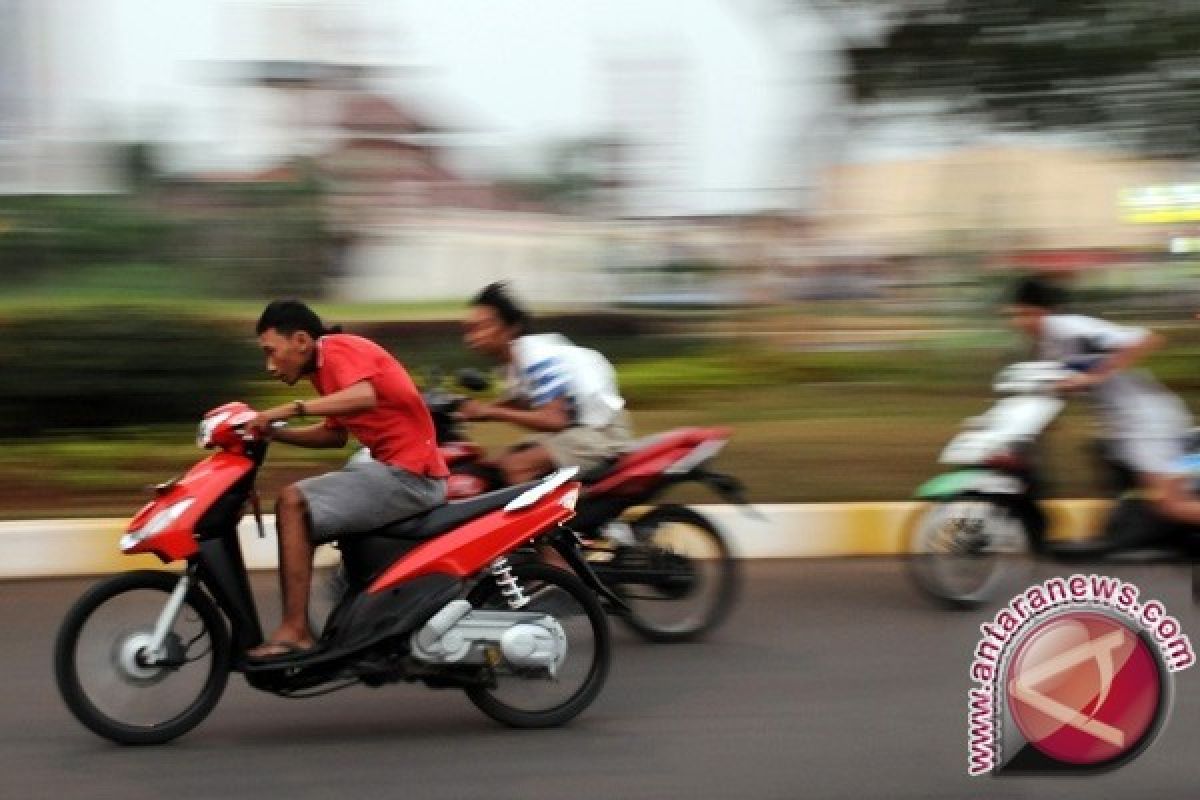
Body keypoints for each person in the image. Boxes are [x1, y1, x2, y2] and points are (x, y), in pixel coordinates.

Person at [245, 300, 448, 661]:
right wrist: (274, 433)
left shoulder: (339, 349)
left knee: (293, 501)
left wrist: (290, 410)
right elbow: (333, 436)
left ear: (302, 341)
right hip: (394, 470)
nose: (270, 365)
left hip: (411, 476)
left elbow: (364, 396)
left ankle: (295, 632)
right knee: (320, 493)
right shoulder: (325, 372)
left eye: (272, 352)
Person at [1006, 274, 1200, 528]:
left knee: (1170, 504)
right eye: (1015, 315)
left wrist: (1093, 377)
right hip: (1126, 427)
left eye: (1025, 314)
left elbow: (1145, 340)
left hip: (1147, 423)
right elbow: (1056, 388)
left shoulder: (1066, 327)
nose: (1019, 322)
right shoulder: (1049, 344)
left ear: (1043, 311)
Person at [458, 282, 632, 485]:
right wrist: (461, 411)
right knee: (497, 464)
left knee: (517, 466)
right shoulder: (512, 363)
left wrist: (488, 412)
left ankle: (571, 515)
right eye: (469, 329)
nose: (472, 337)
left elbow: (554, 420)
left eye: (482, 327)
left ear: (511, 328)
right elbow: (517, 404)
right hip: (577, 430)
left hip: (601, 432)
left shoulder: (536, 357)